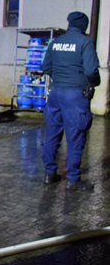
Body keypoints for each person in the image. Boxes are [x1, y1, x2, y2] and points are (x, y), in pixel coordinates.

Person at [41, 12, 100, 192]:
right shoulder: (85, 43)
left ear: (69, 23)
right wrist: (94, 82)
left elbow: (46, 67)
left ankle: (50, 174)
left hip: (56, 93)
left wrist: (61, 77)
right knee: (75, 136)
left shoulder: (56, 42)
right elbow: (91, 71)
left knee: (52, 134)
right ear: (85, 26)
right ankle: (73, 179)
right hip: (75, 95)